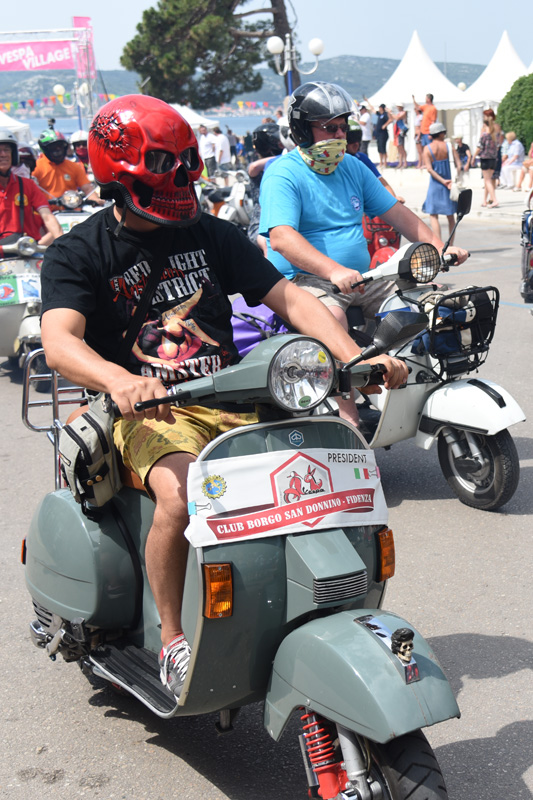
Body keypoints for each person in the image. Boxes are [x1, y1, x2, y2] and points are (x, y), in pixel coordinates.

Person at [39, 95, 408, 700]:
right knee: (181, 496)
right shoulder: (79, 251)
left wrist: (356, 357)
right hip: (148, 411)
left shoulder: (211, 233)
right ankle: (176, 641)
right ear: (119, 169)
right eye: (166, 163)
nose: (184, 178)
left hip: (232, 397)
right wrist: (118, 379)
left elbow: (288, 298)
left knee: (327, 470)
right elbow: (59, 341)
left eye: (189, 162)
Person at [259, 81, 468, 426]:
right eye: (329, 127)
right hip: (305, 279)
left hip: (362, 278)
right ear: (301, 129)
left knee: (426, 304)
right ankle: (348, 417)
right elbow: (282, 238)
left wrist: (439, 247)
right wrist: (332, 271)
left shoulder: (353, 167)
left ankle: (415, 386)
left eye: (343, 127)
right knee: (332, 321)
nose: (339, 135)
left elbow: (398, 215)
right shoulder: (283, 173)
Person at [0, 129, 62, 245]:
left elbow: (48, 217)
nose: (3, 154)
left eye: (6, 150)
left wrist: (62, 241)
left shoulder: (27, 185)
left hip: (26, 251)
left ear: (13, 155)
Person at [33, 128, 103, 206]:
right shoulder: (36, 167)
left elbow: (88, 189)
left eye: (60, 146)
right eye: (53, 147)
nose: (58, 150)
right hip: (46, 211)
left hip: (73, 210)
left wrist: (94, 199)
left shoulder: (74, 166)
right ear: (45, 149)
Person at [247, 123, 283, 255]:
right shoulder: (260, 166)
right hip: (260, 222)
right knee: (266, 242)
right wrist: (283, 157)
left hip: (279, 218)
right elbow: (253, 168)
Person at [422, 122, 462, 241]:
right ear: (441, 133)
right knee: (450, 216)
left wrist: (442, 180)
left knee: (433, 215)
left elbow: (429, 169)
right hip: (450, 185)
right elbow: (458, 164)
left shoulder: (427, 149)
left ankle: (438, 243)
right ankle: (451, 244)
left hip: (436, 184)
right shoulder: (449, 146)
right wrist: (453, 179)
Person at [346, 122, 404, 203]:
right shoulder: (335, 162)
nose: (356, 144)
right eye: (351, 139)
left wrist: (394, 199)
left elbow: (381, 181)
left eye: (358, 138)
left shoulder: (362, 158)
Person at [472, 113, 499, 208]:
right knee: (488, 180)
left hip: (485, 159)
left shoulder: (484, 135)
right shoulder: (494, 135)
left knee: (487, 180)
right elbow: (498, 147)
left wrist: (473, 157)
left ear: (484, 124)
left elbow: (479, 147)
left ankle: (494, 200)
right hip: (493, 159)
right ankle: (484, 200)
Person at [373, 103, 391, 170]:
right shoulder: (380, 114)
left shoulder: (385, 114)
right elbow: (373, 110)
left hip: (383, 133)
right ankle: (381, 162)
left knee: (383, 148)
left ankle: (385, 163)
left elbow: (390, 119)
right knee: (379, 148)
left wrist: (385, 125)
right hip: (378, 133)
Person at [392, 103, 408, 168]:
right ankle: (400, 162)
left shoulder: (403, 113)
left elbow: (397, 118)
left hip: (401, 132)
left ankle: (405, 162)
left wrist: (391, 113)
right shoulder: (399, 113)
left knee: (402, 147)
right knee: (399, 148)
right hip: (397, 132)